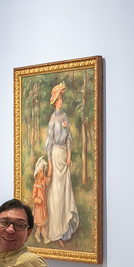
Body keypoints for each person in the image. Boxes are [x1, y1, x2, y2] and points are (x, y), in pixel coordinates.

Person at [44, 83, 80, 245]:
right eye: (58, 99)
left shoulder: (64, 116)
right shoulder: (52, 119)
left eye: (61, 98)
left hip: (64, 156)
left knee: (65, 191)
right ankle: (56, 229)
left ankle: (66, 229)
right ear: (54, 101)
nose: (60, 101)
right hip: (56, 155)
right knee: (56, 194)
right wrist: (50, 165)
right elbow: (49, 144)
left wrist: (69, 154)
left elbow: (69, 137)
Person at [32, 157, 50, 243]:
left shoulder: (44, 181)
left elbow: (49, 180)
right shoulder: (36, 184)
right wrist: (38, 200)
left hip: (43, 207)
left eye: (43, 171)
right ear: (37, 173)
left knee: (41, 225)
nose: (42, 174)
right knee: (42, 224)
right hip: (39, 208)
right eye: (41, 172)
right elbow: (33, 197)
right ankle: (45, 238)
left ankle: (37, 234)